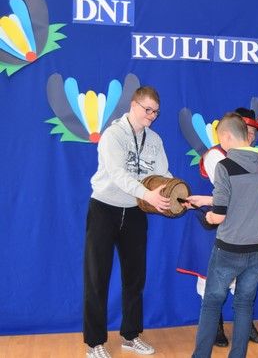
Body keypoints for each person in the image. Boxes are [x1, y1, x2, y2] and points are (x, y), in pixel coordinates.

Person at [83, 86, 170, 358]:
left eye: (156, 112)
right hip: (104, 209)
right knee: (97, 277)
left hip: (134, 212)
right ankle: (94, 343)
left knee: (135, 277)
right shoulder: (113, 135)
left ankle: (131, 336)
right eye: (148, 110)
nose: (152, 116)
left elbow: (163, 174)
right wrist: (147, 194)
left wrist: (180, 195)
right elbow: (118, 174)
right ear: (133, 105)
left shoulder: (154, 139)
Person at [178, 107, 258, 346]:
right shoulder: (217, 156)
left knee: (242, 287)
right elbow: (233, 193)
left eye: (253, 132)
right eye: (248, 130)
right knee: (210, 281)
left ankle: (244, 327)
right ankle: (217, 328)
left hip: (239, 226)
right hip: (215, 226)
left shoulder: (256, 158)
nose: (251, 136)